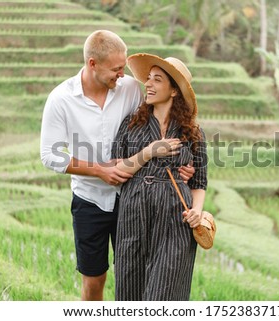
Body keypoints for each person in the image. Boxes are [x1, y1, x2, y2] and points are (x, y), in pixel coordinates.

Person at [40, 30, 193, 301]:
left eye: (123, 67)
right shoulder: (61, 99)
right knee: (94, 278)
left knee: (136, 274)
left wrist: (184, 166)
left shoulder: (132, 90)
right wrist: (100, 169)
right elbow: (50, 155)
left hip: (132, 201)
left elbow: (160, 126)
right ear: (92, 64)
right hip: (90, 201)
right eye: (116, 69)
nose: (122, 74)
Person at [111, 53, 208, 300]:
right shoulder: (131, 124)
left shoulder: (193, 132)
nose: (149, 84)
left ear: (174, 91)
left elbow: (199, 182)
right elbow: (117, 169)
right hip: (134, 213)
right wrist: (150, 152)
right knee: (129, 288)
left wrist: (197, 210)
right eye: (148, 79)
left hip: (175, 217)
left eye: (157, 80)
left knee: (165, 294)